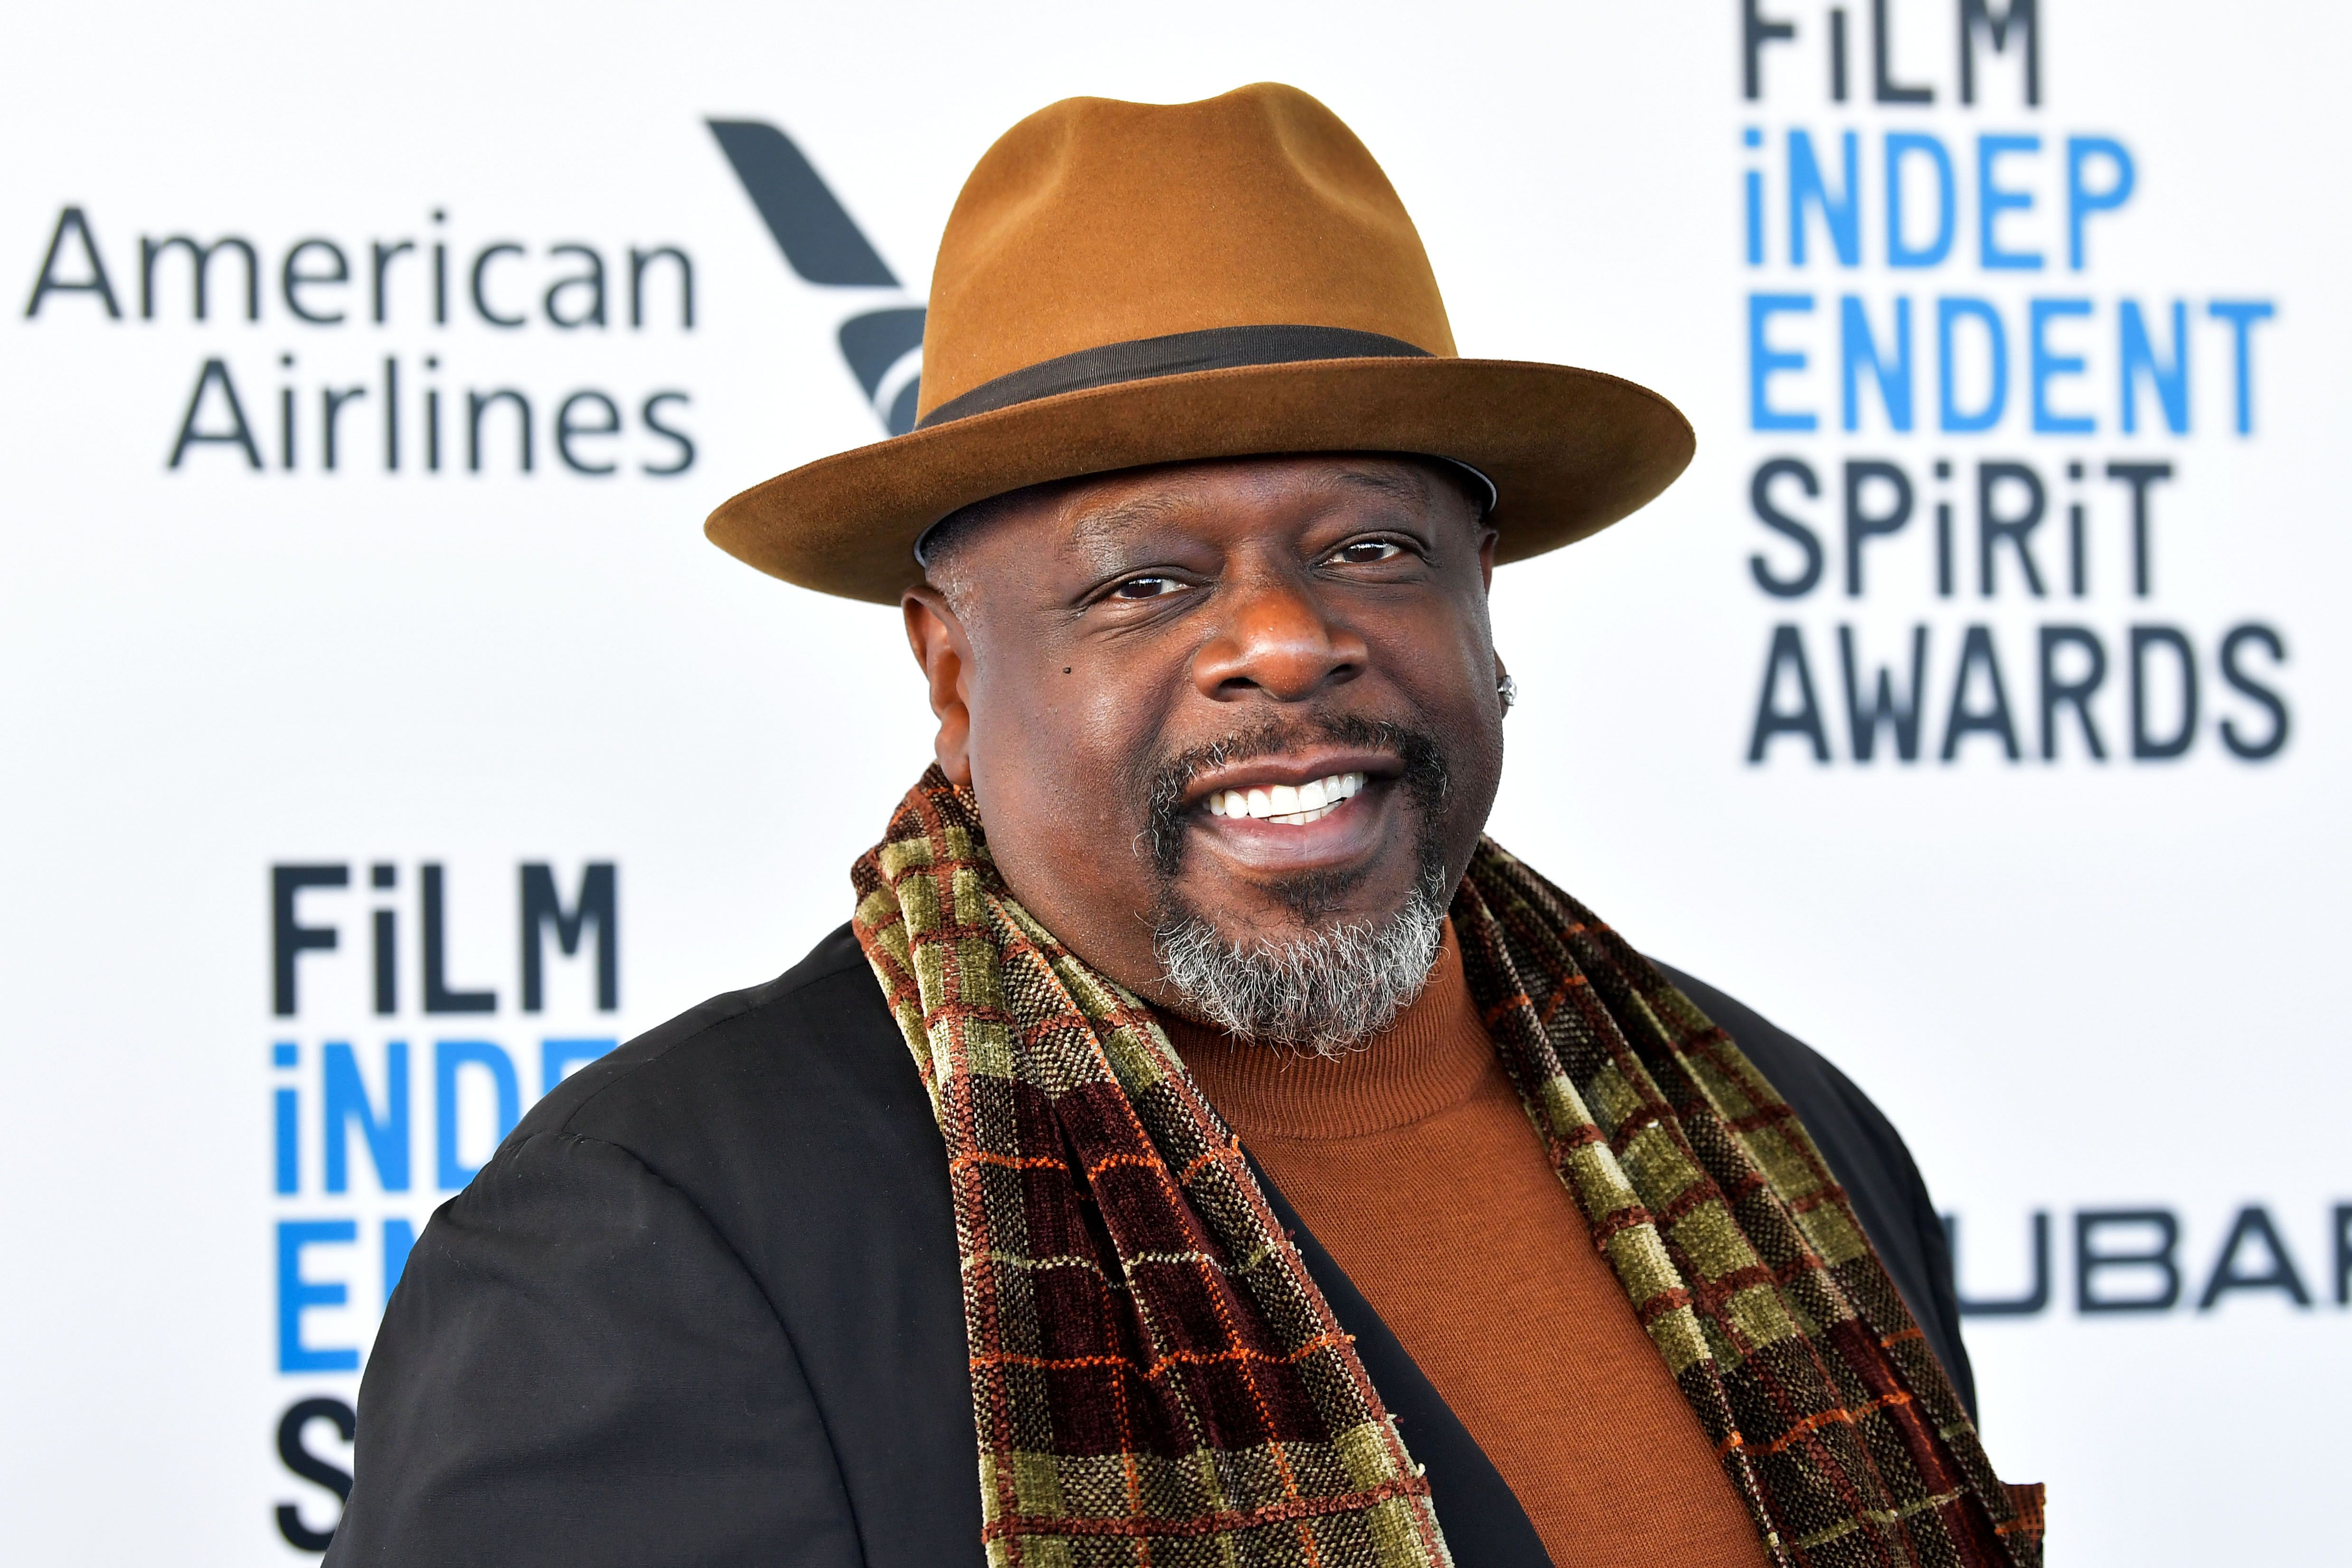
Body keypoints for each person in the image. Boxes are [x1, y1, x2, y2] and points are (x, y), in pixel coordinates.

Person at [328, 85, 2042, 1568]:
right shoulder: (659, 1241)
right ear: (949, 673)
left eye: (1370, 549)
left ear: (1482, 607)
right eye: (1143, 582)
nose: (1285, 642)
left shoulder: (1780, 1132)